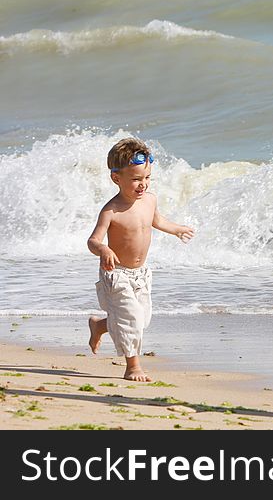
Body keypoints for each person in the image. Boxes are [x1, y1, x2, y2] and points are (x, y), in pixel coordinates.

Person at [86, 137, 194, 381]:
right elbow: (93, 240)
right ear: (116, 178)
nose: (143, 184)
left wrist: (176, 229)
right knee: (131, 319)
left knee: (141, 320)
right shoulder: (111, 210)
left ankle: (100, 325)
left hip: (141, 274)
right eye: (136, 179)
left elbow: (157, 220)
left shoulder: (150, 199)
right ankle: (132, 367)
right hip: (117, 274)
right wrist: (103, 250)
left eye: (147, 178)